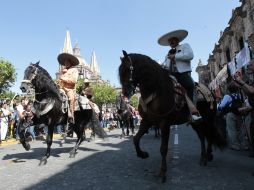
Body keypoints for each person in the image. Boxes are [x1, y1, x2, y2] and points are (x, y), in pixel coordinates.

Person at [158, 29, 202, 122]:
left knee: (190, 85)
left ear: (177, 40)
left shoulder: (185, 46)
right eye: (169, 41)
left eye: (172, 40)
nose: (171, 42)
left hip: (183, 73)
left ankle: (193, 112)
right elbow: (166, 65)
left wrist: (175, 56)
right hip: (171, 75)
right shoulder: (168, 54)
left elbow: (190, 55)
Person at [217, 80, 248, 150]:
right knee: (241, 129)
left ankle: (235, 145)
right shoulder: (239, 95)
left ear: (229, 89)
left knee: (232, 130)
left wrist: (219, 107)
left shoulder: (227, 96)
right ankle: (244, 145)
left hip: (230, 114)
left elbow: (221, 106)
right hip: (239, 113)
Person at [58, 53, 79, 123]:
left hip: (69, 89)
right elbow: (59, 80)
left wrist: (64, 79)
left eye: (67, 62)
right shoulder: (62, 71)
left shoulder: (74, 70)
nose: (66, 63)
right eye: (65, 62)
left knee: (71, 98)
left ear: (71, 62)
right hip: (61, 88)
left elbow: (74, 80)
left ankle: (71, 115)